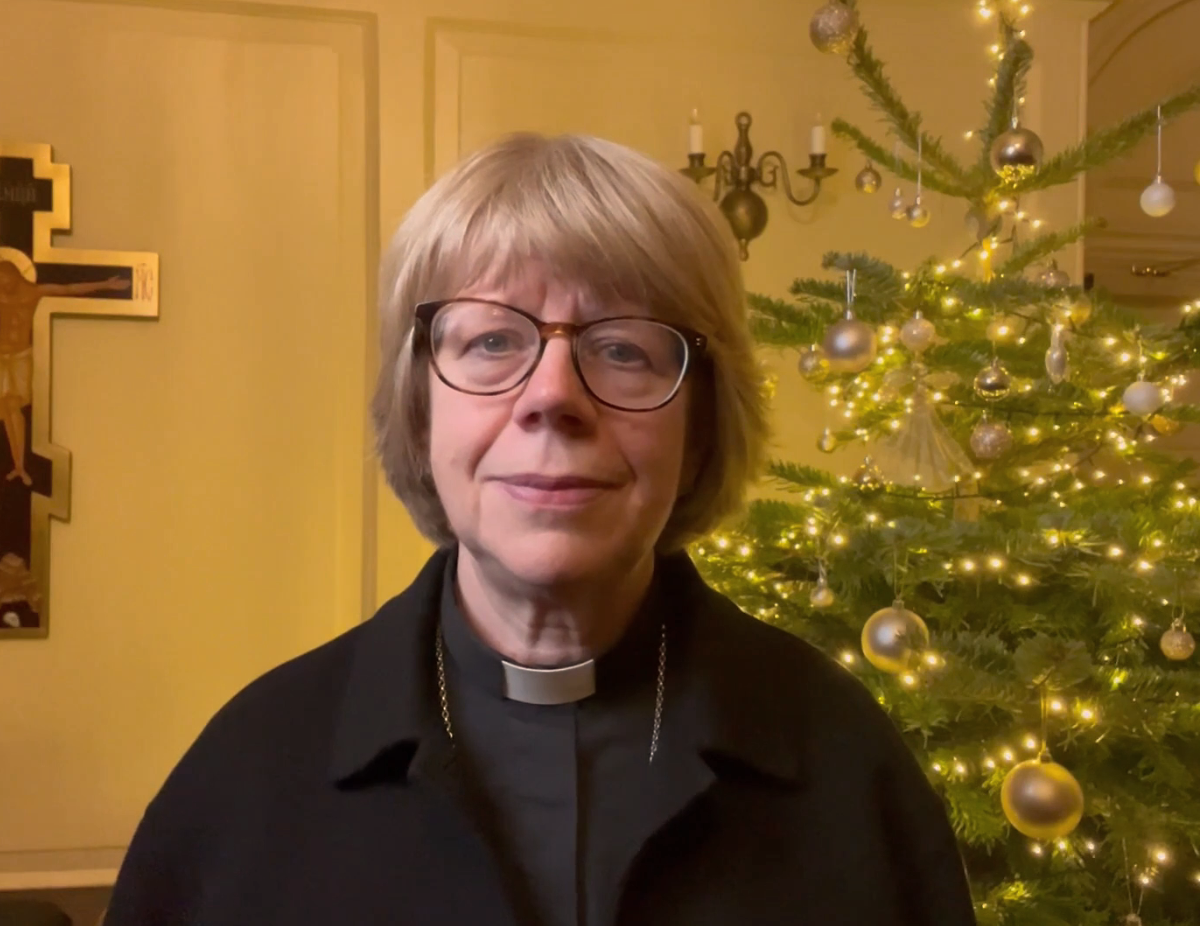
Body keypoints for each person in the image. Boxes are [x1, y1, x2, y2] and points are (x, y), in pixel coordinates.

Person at [103, 132, 977, 926]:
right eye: (492, 341)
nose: (553, 396)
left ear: (702, 426)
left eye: (624, 348)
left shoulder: (845, 766)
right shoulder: (251, 775)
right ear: (420, 409)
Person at [0, 260, 129, 484]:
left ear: (16, 276)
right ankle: (18, 465)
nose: (4, 285)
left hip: (20, 357)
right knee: (6, 409)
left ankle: (20, 465)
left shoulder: (33, 292)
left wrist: (106, 284)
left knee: (13, 408)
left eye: (6, 280)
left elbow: (67, 289)